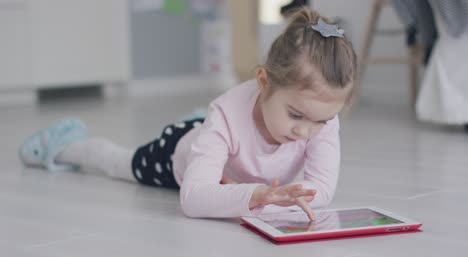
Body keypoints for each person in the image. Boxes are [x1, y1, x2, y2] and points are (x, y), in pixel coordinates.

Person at [19, 7, 357, 221]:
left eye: (322, 121)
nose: (306, 132)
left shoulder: (319, 118)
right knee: (119, 163)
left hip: (220, 144)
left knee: (215, 136)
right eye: (296, 115)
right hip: (177, 154)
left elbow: (322, 188)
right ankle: (64, 145)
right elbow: (195, 199)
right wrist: (259, 196)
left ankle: (207, 135)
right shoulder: (226, 114)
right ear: (263, 82)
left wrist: (269, 198)